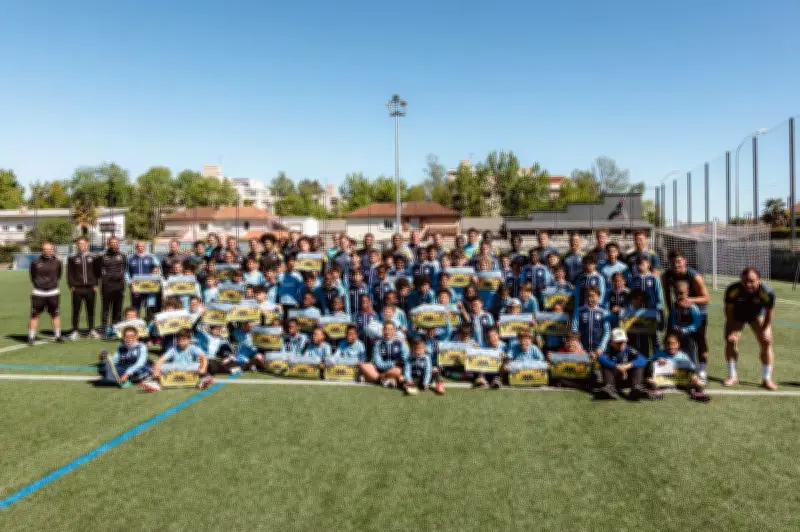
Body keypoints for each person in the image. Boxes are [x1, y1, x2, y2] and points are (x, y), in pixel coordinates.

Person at [723, 267, 777, 390]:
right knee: (730, 341)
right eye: (745, 281)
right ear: (741, 279)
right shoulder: (733, 289)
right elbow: (729, 310)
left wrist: (764, 329)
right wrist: (732, 330)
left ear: (759, 280)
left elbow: (769, 312)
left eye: (752, 281)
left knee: (767, 342)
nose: (748, 284)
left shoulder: (767, 292)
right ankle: (732, 376)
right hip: (737, 316)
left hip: (756, 316)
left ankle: (766, 379)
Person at [662, 249, 710, 379]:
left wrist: (690, 301)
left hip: (698, 311)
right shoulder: (666, 275)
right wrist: (672, 312)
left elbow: (706, 298)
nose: (676, 265)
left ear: (685, 261)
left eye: (678, 261)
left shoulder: (694, 276)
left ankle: (702, 369)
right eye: (672, 262)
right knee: (670, 338)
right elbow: (667, 295)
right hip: (678, 310)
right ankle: (669, 367)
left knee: (699, 340)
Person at [648, 332, 710, 402]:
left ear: (678, 345)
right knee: (650, 380)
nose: (671, 346)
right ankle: (656, 391)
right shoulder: (659, 353)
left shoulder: (682, 355)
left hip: (680, 379)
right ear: (664, 344)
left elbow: (692, 368)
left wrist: (692, 375)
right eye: (668, 343)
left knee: (696, 380)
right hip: (664, 379)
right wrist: (657, 359)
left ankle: (699, 393)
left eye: (673, 344)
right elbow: (649, 362)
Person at [145, 329, 212, 392]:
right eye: (179, 340)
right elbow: (161, 360)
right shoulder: (173, 349)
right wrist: (156, 370)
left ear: (189, 340)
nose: (181, 342)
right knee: (157, 365)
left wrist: (203, 368)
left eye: (184, 340)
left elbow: (204, 357)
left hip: (189, 369)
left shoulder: (193, 348)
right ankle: (156, 384)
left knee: (199, 365)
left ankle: (202, 381)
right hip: (175, 369)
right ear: (176, 340)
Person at [595, 328, 649, 401]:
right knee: (605, 365)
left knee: (639, 365)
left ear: (626, 341)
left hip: (629, 378)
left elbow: (643, 359)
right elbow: (601, 358)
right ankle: (609, 388)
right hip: (614, 378)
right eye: (618, 342)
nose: (621, 344)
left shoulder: (629, 349)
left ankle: (637, 388)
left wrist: (628, 365)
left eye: (623, 342)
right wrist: (617, 366)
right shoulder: (608, 350)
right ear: (611, 342)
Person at [28, 241, 64, 344]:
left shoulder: (58, 262)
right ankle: (31, 337)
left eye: (50, 249)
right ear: (42, 250)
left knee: (55, 315)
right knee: (35, 316)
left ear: (52, 250)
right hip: (38, 293)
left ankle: (58, 336)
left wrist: (52, 284)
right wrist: (40, 285)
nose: (48, 251)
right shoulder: (35, 262)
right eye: (45, 250)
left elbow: (59, 275)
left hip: (53, 293)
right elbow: (33, 276)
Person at [67, 237, 100, 340]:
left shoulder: (94, 256)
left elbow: (97, 272)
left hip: (90, 288)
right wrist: (71, 285)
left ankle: (91, 330)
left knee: (91, 310)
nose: (81, 246)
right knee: (76, 310)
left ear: (87, 244)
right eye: (79, 244)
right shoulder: (72, 257)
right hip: (77, 288)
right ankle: (75, 331)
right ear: (77, 245)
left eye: (83, 244)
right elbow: (69, 273)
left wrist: (96, 284)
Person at [360, 322, 409, 387]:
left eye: (390, 329)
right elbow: (378, 363)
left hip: (395, 369)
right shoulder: (378, 344)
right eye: (386, 329)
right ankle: (388, 379)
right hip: (381, 369)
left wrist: (400, 366)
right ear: (383, 331)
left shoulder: (401, 343)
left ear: (394, 331)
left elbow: (406, 360)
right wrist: (393, 363)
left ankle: (379, 379)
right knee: (363, 365)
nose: (388, 331)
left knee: (397, 371)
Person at [98, 237, 127, 338]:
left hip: (119, 286)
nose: (114, 244)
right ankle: (104, 330)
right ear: (108, 244)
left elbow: (125, 269)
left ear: (118, 244)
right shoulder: (102, 255)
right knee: (105, 309)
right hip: (106, 286)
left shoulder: (122, 255)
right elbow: (98, 270)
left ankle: (116, 329)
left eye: (116, 243)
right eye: (112, 243)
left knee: (118, 310)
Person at [571, 286, 610, 359]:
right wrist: (580, 348)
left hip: (599, 351)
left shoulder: (604, 312)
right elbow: (574, 330)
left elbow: (607, 332)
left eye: (592, 296)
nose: (589, 299)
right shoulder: (579, 311)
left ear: (598, 297)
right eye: (587, 296)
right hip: (582, 350)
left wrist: (600, 349)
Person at [126, 241, 157, 317]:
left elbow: (157, 270)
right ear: (136, 247)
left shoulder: (151, 257)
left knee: (149, 308)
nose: (140, 248)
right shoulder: (130, 258)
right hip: (136, 288)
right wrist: (130, 282)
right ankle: (136, 325)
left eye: (142, 246)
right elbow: (126, 272)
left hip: (149, 288)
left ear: (145, 247)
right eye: (139, 246)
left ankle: (149, 325)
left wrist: (155, 280)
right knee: (136, 308)